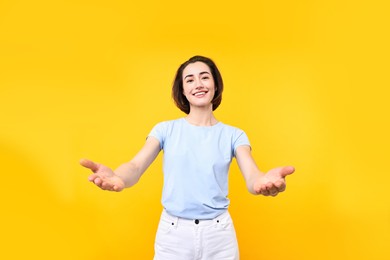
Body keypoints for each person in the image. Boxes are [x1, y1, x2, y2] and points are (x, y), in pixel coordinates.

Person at [80, 55, 295, 260]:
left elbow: (252, 176)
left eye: (204, 77)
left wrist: (262, 183)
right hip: (173, 235)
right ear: (183, 90)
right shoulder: (165, 130)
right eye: (189, 80)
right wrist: (118, 177)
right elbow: (136, 166)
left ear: (216, 85)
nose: (198, 84)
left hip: (219, 235)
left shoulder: (234, 135)